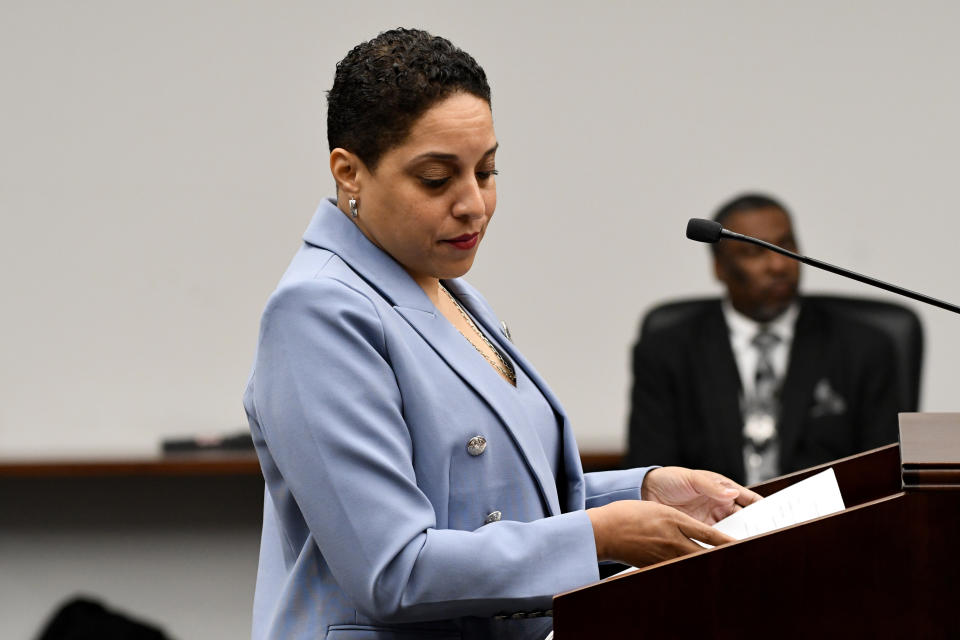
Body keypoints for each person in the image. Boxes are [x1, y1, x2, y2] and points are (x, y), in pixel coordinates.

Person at [243, 28, 760, 640]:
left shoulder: (446, 287)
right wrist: (600, 536)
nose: (473, 205)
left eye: (486, 171)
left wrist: (644, 491)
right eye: (437, 179)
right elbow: (393, 568)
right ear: (349, 172)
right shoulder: (319, 310)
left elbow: (485, 498)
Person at [626, 193, 900, 486]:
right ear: (719, 268)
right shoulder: (667, 352)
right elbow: (650, 473)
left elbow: (880, 473)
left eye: (786, 245)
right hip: (708, 524)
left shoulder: (864, 347)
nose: (778, 265)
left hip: (830, 524)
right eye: (755, 253)